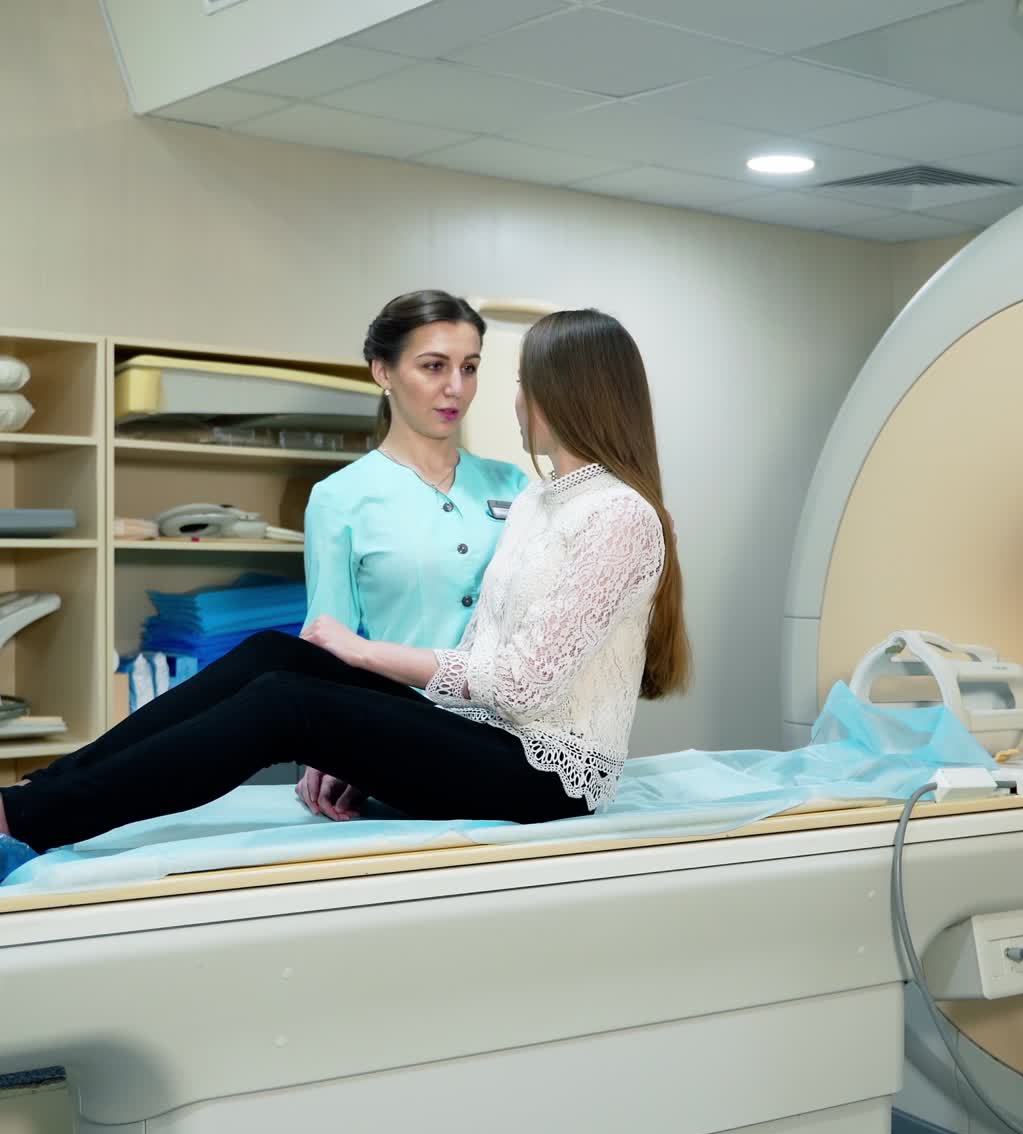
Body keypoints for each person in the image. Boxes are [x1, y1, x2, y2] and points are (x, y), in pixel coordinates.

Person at [0, 309, 690, 873]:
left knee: (286, 703)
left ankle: (34, 820)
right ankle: (33, 793)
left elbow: (524, 684)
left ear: (566, 392)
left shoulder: (619, 516)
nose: (508, 397)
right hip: (485, 741)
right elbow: (481, 649)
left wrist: (366, 657)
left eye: (518, 379)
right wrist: (378, 742)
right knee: (279, 654)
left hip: (549, 780)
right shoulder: (539, 501)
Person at [298, 289, 527, 819]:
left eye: (469, 368)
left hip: (512, 738)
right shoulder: (339, 498)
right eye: (433, 366)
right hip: (402, 732)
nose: (456, 388)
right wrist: (327, 745)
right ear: (383, 372)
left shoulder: (514, 485)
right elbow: (327, 638)